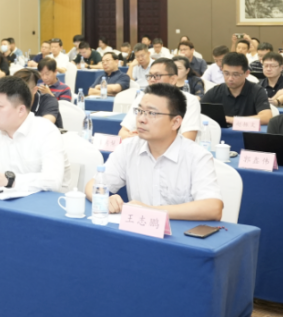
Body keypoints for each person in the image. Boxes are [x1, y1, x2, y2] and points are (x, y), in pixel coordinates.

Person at [88, 84, 222, 220]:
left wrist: (150, 211)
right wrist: (105, 199)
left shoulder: (197, 156)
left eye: (152, 113)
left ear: (175, 122)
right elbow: (92, 186)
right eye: (139, 111)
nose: (141, 119)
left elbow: (213, 208)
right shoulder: (128, 147)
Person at [118, 58, 202, 142]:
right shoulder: (142, 97)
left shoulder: (189, 101)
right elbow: (122, 132)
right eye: (150, 76)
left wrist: (147, 139)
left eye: (157, 76)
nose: (152, 79)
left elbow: (188, 140)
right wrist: (132, 137)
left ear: (173, 79)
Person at [202, 52, 271, 127]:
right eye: (226, 73)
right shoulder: (215, 91)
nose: (230, 78)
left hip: (247, 133)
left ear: (247, 73)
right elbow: (198, 112)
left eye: (235, 74)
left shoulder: (257, 91)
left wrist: (231, 120)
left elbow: (267, 117)